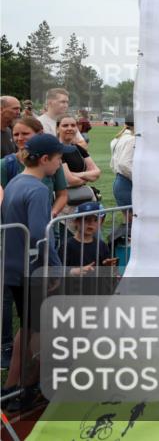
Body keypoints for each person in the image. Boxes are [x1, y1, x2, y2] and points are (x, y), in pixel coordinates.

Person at [1, 133, 65, 411]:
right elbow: (42, 234)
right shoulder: (38, 190)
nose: (61, 164)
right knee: (41, 330)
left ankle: (13, 386)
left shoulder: (16, 182)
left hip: (14, 267)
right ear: (45, 159)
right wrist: (55, 269)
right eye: (60, 159)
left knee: (28, 327)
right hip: (33, 270)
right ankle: (26, 386)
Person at [57, 114, 101, 208]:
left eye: (73, 125)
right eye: (65, 126)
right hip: (65, 203)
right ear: (57, 128)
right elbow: (71, 181)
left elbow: (97, 173)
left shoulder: (78, 148)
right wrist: (88, 177)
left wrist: (76, 175)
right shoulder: (56, 150)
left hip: (82, 198)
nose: (70, 128)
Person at [109, 117, 135, 210]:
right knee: (132, 218)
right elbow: (124, 164)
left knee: (127, 218)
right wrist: (138, 179)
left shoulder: (116, 139)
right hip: (127, 182)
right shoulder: (132, 139)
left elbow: (113, 163)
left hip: (119, 180)